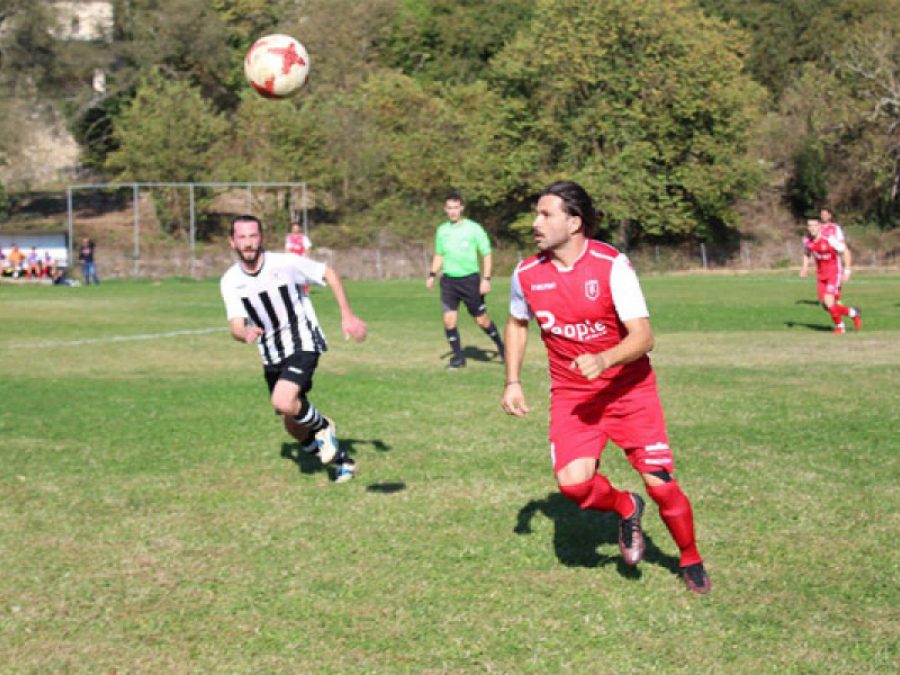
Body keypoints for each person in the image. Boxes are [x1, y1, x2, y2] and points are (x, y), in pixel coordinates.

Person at [501, 180, 711, 594]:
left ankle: (689, 558)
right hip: (573, 397)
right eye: (536, 214)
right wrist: (512, 381)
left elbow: (644, 337)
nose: (535, 223)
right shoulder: (526, 274)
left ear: (574, 222)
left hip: (629, 392)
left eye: (546, 215)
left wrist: (604, 359)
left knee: (662, 483)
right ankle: (625, 506)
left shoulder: (611, 265)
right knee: (574, 486)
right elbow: (517, 324)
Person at [220, 215, 367, 483]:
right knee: (292, 424)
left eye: (253, 236)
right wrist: (245, 333)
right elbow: (235, 326)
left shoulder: (284, 263)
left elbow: (328, 273)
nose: (248, 243)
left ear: (261, 238)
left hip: (302, 341)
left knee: (283, 401)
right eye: (242, 237)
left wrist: (347, 315)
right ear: (232, 242)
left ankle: (324, 426)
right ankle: (343, 461)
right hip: (271, 353)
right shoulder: (230, 281)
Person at [426, 191, 505, 369]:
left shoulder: (473, 228)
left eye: (456, 207)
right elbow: (440, 254)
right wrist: (432, 274)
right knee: (449, 320)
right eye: (449, 208)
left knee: (481, 320)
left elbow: (486, 253)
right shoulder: (442, 230)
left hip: (470, 281)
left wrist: (486, 279)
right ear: (445, 209)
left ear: (461, 208)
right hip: (449, 282)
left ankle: (502, 347)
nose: (453, 211)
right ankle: (459, 358)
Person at [800, 215, 861, 334]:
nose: (812, 228)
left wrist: (847, 270)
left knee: (829, 300)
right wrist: (805, 268)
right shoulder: (807, 240)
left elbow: (845, 251)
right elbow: (806, 253)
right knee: (826, 306)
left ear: (820, 226)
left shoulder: (829, 238)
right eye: (809, 226)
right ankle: (852, 313)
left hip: (834, 272)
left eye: (814, 225)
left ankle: (840, 327)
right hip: (821, 275)